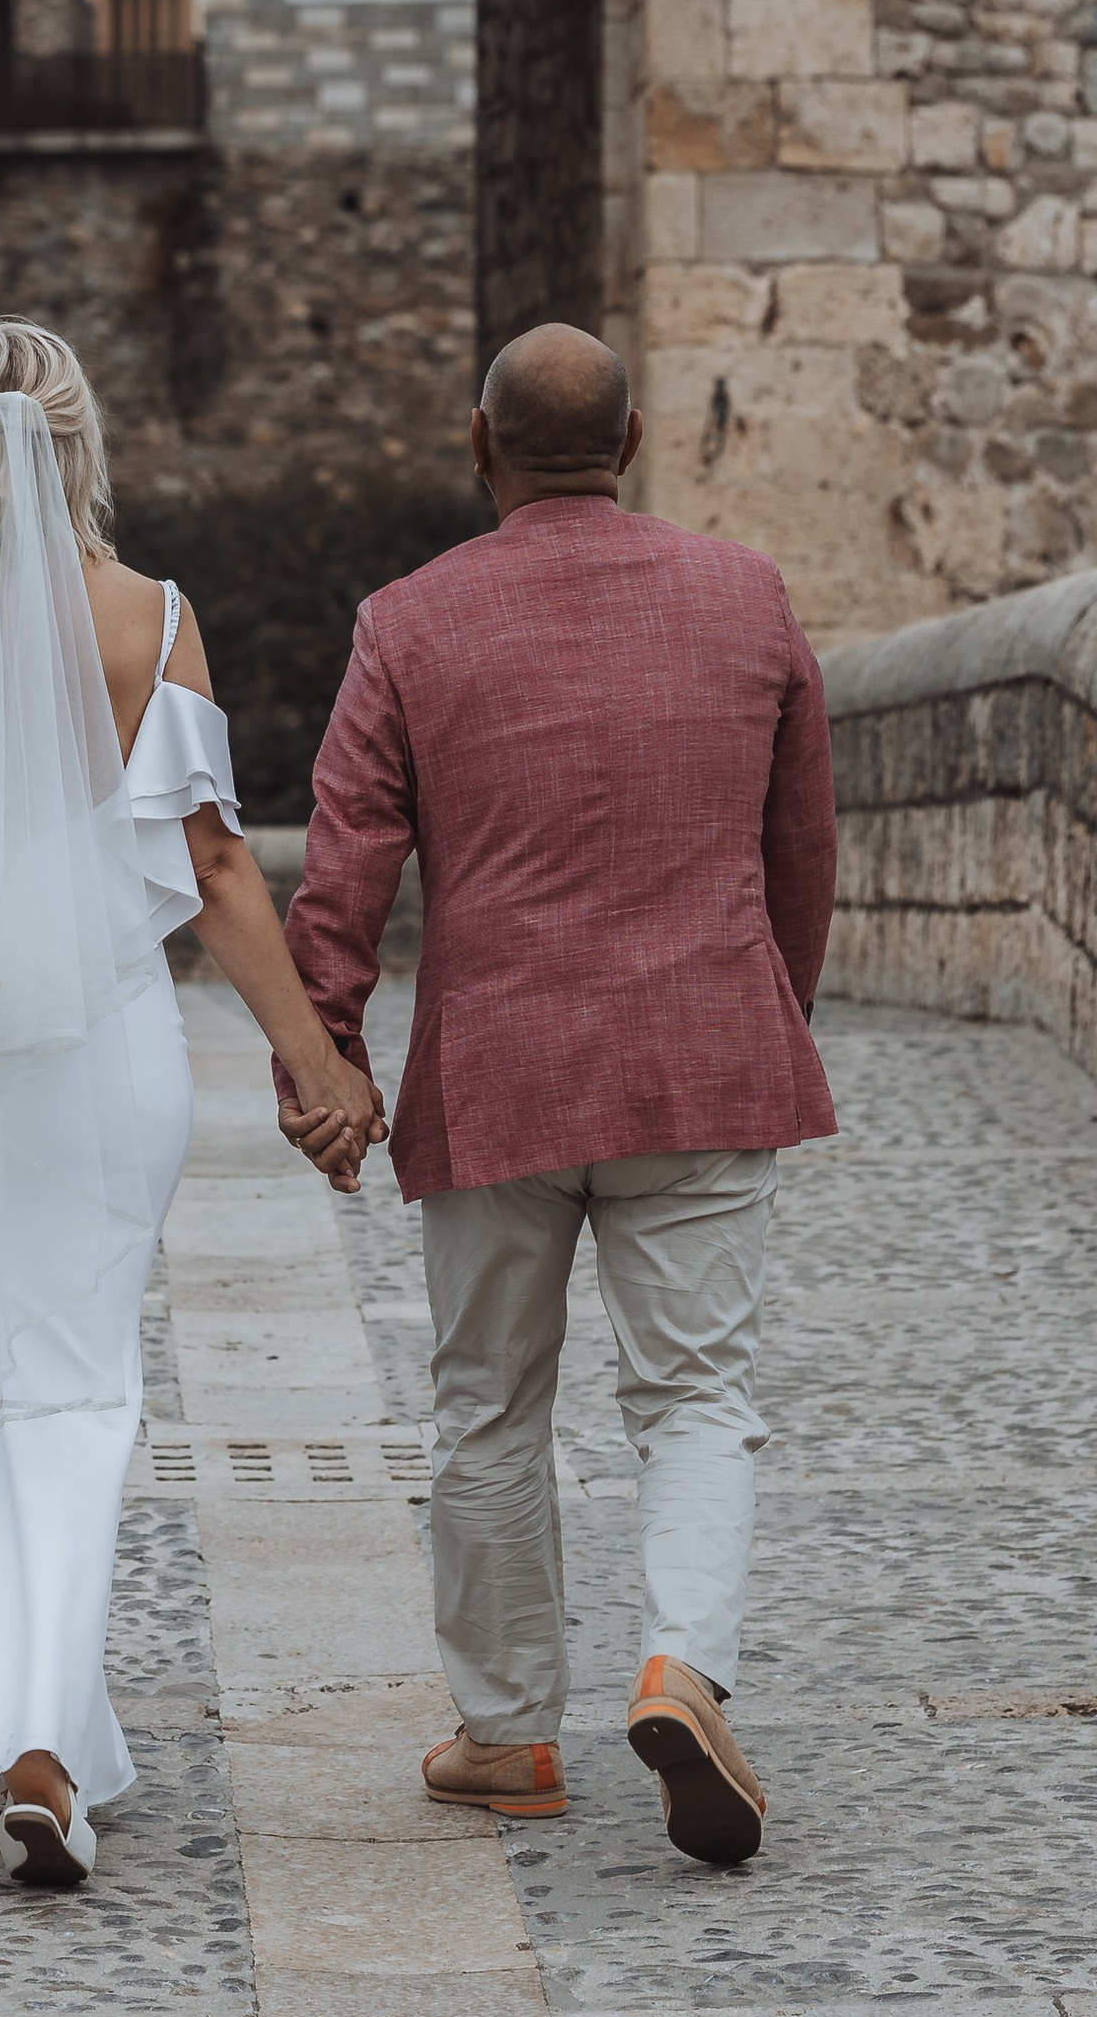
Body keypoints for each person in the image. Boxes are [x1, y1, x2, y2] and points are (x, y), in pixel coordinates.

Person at [0, 319, 384, 1892]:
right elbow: (206, 864)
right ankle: (38, 1732)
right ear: (77, 444)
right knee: (77, 1375)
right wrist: (312, 1065)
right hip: (97, 1042)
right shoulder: (153, 617)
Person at [279, 322, 837, 1866]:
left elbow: (347, 864)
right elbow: (804, 847)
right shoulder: (750, 595)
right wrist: (767, 1005)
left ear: (480, 445)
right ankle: (680, 1666)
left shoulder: (408, 621)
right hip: (703, 1050)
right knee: (699, 1397)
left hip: (501, 1072)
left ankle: (510, 1733)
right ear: (638, 438)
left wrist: (323, 1057)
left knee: (487, 1404)